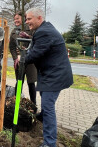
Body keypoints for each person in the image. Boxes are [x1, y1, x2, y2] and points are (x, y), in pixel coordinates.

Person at [24, 8, 73, 147]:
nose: (27, 22)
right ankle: (42, 117)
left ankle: (49, 143)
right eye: (26, 19)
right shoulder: (44, 29)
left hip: (55, 75)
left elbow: (35, 54)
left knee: (48, 105)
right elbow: (35, 47)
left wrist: (22, 60)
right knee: (45, 97)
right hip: (50, 73)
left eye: (29, 19)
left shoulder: (44, 32)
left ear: (39, 18)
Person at [9, 12, 37, 107]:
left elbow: (36, 40)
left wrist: (28, 37)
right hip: (19, 61)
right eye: (15, 19)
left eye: (18, 18)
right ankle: (16, 102)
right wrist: (15, 58)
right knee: (19, 81)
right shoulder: (13, 32)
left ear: (23, 19)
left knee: (31, 83)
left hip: (30, 60)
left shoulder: (30, 28)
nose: (16, 20)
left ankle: (34, 104)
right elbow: (11, 47)